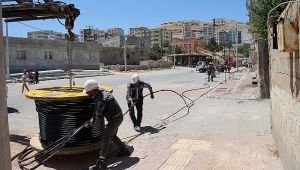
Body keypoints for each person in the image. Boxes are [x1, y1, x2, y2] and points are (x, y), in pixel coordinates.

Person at [83, 79, 133, 170]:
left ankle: (102, 164)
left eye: (88, 92)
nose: (87, 94)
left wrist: (90, 123)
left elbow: (97, 116)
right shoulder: (101, 91)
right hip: (117, 116)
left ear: (93, 90)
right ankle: (124, 150)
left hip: (115, 119)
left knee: (106, 137)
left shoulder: (100, 100)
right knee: (112, 135)